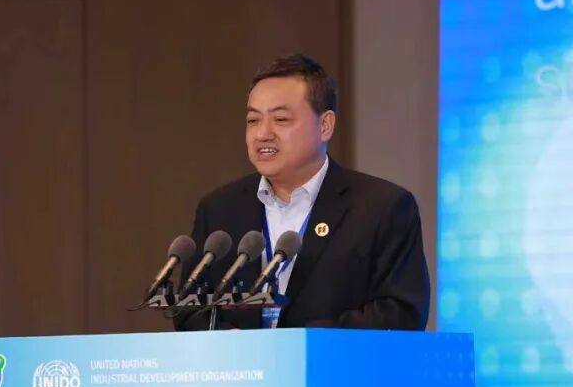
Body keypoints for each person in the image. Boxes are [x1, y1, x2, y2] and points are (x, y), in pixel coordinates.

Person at [173, 53, 430, 331]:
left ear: (325, 126)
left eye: (281, 119)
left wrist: (299, 344)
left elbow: (400, 314)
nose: (262, 134)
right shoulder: (219, 210)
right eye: (253, 120)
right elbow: (189, 311)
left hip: (332, 360)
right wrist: (240, 347)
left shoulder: (382, 208)